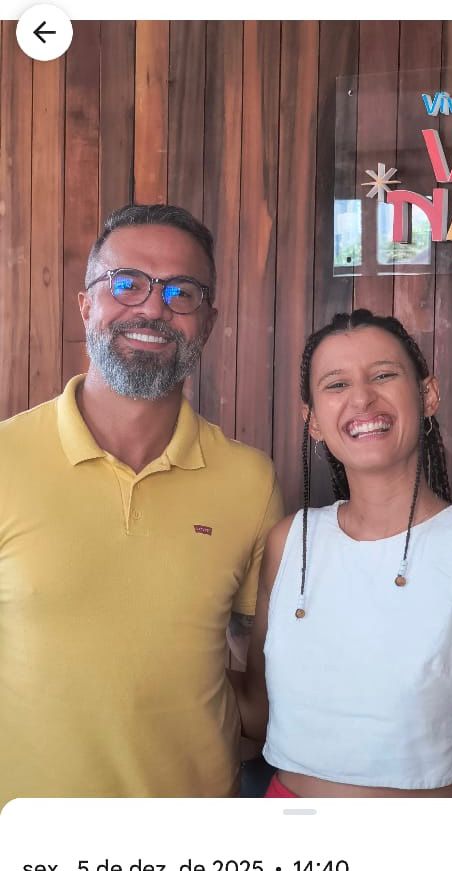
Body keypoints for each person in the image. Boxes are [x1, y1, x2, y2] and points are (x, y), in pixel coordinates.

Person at [0, 204, 282, 804]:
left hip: (193, 840)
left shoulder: (250, 482)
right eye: (127, 284)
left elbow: (261, 691)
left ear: (207, 322)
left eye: (182, 292)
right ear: (86, 305)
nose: (153, 308)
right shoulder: (5, 459)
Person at [235, 309, 452, 797]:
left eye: (383, 375)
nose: (362, 397)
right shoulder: (289, 543)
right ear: (313, 421)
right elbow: (258, 712)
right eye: (336, 384)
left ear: (428, 395)